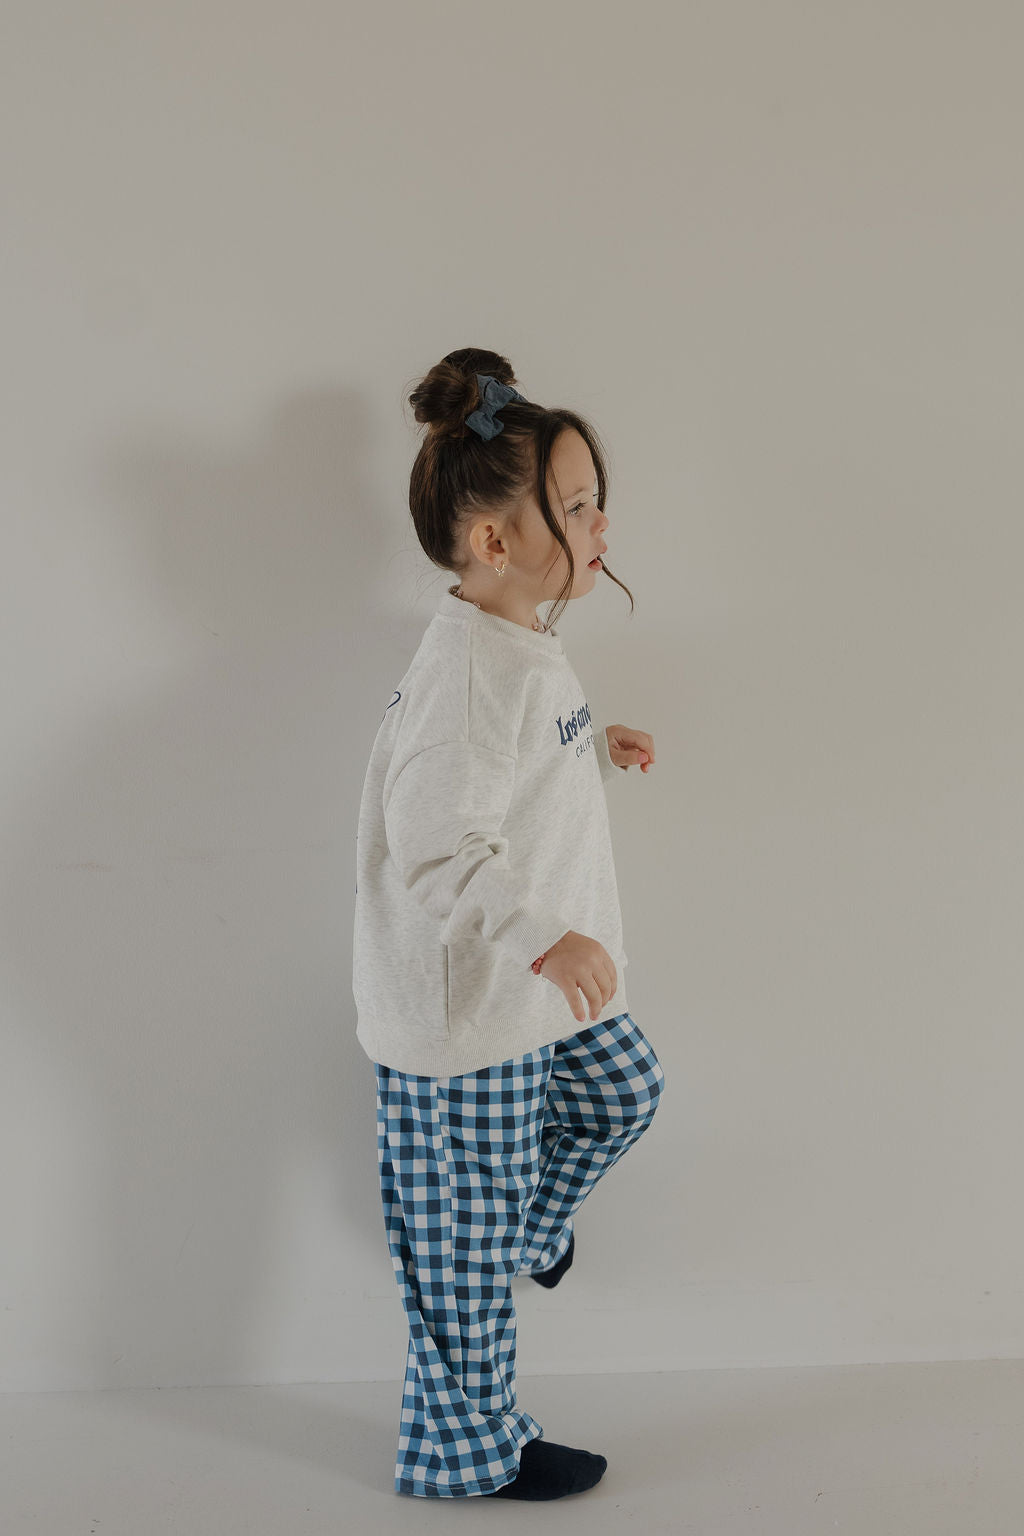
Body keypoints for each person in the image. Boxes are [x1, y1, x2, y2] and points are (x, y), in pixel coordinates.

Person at [352, 347, 665, 1501]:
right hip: (466, 1009)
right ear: (494, 543)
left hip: (526, 986)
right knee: (458, 1261)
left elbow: (507, 781)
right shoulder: (470, 675)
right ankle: (467, 1453)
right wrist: (546, 937)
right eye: (574, 507)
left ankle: (537, 1232)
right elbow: (435, 843)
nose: (598, 522)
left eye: (593, 500)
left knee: (622, 1091)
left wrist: (594, 750)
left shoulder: (521, 643)